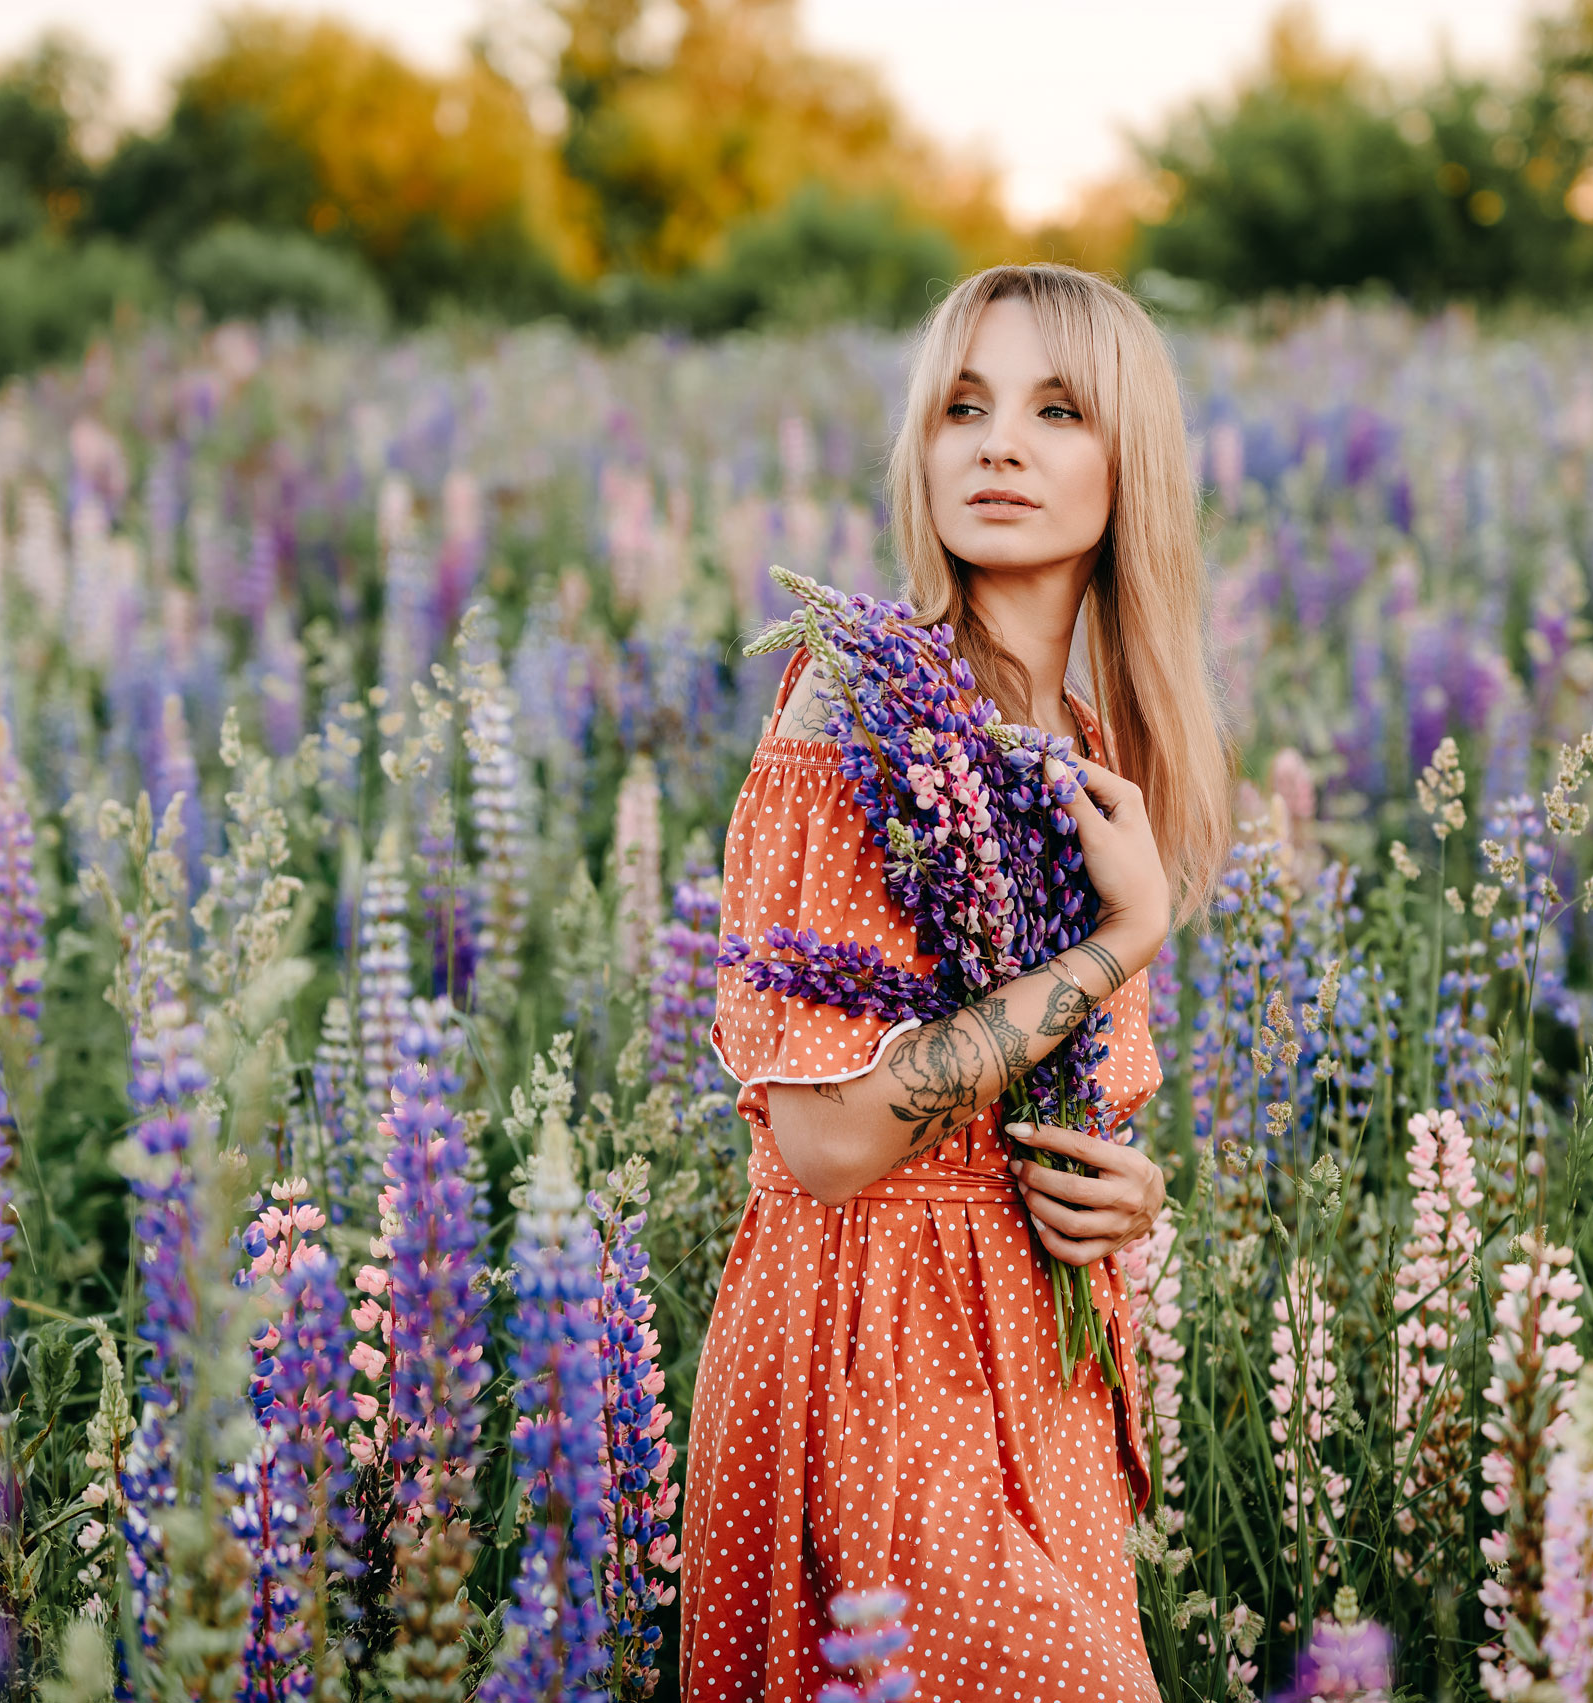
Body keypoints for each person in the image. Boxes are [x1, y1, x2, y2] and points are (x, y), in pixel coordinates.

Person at [681, 262, 1234, 1701]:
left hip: (1039, 1369)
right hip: (873, 1355)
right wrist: (1114, 944)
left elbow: (1059, 1092)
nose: (999, 445)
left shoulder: (1090, 743)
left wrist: (1125, 1191)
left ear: (1128, 463)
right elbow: (828, 1138)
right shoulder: (856, 705)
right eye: (964, 407)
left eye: (1057, 410)